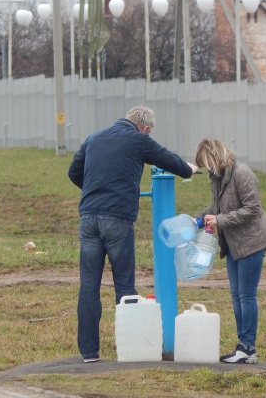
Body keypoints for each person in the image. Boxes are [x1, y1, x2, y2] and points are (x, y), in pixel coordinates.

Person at [68, 106, 198, 363]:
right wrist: (188, 169)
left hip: (88, 218)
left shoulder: (93, 138)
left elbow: (74, 172)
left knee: (89, 286)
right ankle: (127, 350)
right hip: (117, 219)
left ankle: (89, 353)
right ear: (145, 128)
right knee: (125, 285)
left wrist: (97, 188)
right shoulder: (139, 140)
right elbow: (168, 160)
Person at [194, 137, 266, 364]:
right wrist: (200, 218)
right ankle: (242, 345)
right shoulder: (218, 177)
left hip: (252, 241)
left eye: (207, 162)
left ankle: (248, 348)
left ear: (215, 156)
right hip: (233, 244)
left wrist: (219, 220)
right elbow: (218, 206)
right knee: (236, 295)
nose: (207, 168)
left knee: (246, 294)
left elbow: (252, 209)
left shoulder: (242, 173)